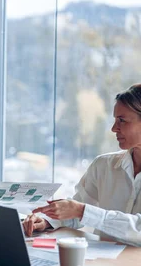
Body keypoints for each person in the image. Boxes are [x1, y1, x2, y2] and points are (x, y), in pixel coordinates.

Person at [23, 84, 141, 246]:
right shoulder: (103, 165)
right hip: (103, 264)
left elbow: (138, 228)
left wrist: (82, 210)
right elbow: (76, 212)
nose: (114, 128)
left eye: (122, 120)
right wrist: (47, 220)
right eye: (114, 120)